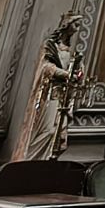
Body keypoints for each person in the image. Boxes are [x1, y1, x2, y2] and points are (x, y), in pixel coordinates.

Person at [14, 11, 85, 162]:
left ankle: (46, 162)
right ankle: (30, 161)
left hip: (62, 96)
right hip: (48, 94)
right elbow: (45, 67)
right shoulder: (51, 46)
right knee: (47, 130)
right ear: (67, 24)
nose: (77, 29)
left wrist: (78, 72)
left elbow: (75, 70)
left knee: (58, 133)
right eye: (76, 25)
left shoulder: (69, 50)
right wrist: (66, 74)